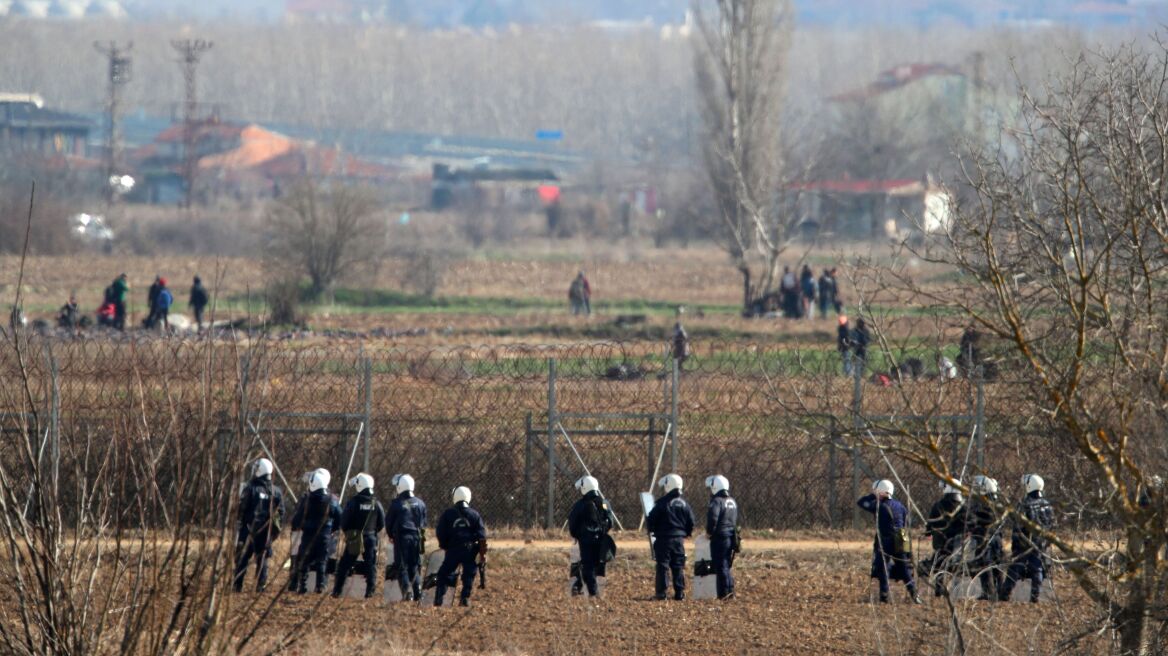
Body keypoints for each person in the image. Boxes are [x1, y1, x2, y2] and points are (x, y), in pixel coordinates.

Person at [857, 479, 922, 604]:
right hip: (901, 539)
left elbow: (861, 502)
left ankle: (884, 596)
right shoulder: (900, 506)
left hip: (886, 540)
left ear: (879, 492)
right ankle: (915, 595)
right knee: (904, 569)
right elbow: (906, 521)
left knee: (883, 568)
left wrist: (874, 494)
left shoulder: (878, 506)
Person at [999, 474, 1055, 603]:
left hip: (1025, 543)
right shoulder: (1047, 504)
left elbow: (1018, 525)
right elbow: (1051, 524)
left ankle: (1004, 595)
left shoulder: (1025, 504)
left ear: (1029, 486)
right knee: (1037, 568)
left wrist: (1016, 542)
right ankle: (1035, 597)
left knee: (1015, 568)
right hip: (1041, 542)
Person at [233, 458, 286, 593]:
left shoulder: (250, 488)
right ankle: (260, 586)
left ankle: (237, 585)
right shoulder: (276, 491)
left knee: (243, 558)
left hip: (249, 528)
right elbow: (281, 513)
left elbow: (241, 508)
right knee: (262, 559)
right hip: (266, 531)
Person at [333, 473, 386, 599]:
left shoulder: (353, 502)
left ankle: (337, 591)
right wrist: (372, 531)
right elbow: (381, 523)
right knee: (370, 565)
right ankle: (370, 592)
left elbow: (344, 521)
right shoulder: (376, 503)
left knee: (345, 565)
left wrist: (348, 532)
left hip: (355, 537)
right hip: (371, 538)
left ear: (360, 486)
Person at [433, 486, 488, 607]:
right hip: (469, 550)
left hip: (453, 549)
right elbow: (482, 537)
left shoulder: (448, 514)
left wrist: (445, 545)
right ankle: (465, 598)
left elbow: (440, 532)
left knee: (445, 572)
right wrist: (482, 554)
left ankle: (439, 598)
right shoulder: (475, 515)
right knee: (469, 573)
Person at [290, 468, 342, 594]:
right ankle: (320, 585)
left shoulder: (306, 499)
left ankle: (302, 586)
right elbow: (339, 517)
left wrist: (297, 526)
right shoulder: (332, 500)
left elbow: (298, 518)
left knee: (304, 561)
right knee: (322, 561)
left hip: (308, 534)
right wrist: (332, 529)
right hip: (325, 535)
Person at [646, 473, 695, 601]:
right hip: (679, 540)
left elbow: (651, 520)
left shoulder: (662, 503)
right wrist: (687, 533)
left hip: (664, 539)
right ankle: (680, 593)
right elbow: (691, 521)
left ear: (668, 486)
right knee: (678, 565)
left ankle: (661, 593)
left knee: (663, 565)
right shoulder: (685, 504)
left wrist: (652, 530)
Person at [568, 475, 613, 598]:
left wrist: (578, 535)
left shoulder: (580, 505)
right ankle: (578, 586)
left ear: (584, 488)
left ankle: (593, 593)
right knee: (594, 564)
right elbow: (610, 521)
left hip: (586, 540)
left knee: (587, 565)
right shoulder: (604, 503)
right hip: (601, 539)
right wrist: (602, 531)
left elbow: (572, 524)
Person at [386, 473, 427, 601]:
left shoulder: (396, 504)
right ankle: (418, 591)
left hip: (402, 537)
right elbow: (424, 522)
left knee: (401, 565)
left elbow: (389, 522)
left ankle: (407, 592)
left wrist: (390, 535)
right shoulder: (421, 504)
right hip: (416, 537)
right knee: (414, 565)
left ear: (400, 487)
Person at [924, 480, 966, 597]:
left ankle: (939, 589)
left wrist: (928, 532)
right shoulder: (963, 507)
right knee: (958, 566)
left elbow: (930, 524)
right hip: (958, 543)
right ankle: (957, 591)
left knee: (939, 565)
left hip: (940, 542)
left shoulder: (938, 506)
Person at [968, 475, 1005, 600]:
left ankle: (988, 591)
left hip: (984, 538)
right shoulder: (996, 501)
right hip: (997, 538)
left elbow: (975, 520)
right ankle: (1000, 590)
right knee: (996, 564)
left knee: (984, 564)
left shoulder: (984, 503)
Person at [705, 474, 739, 600]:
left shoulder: (717, 501)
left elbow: (713, 518)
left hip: (720, 538)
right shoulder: (732, 501)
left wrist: (709, 532)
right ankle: (730, 590)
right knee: (726, 565)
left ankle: (724, 594)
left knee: (721, 565)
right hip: (731, 536)